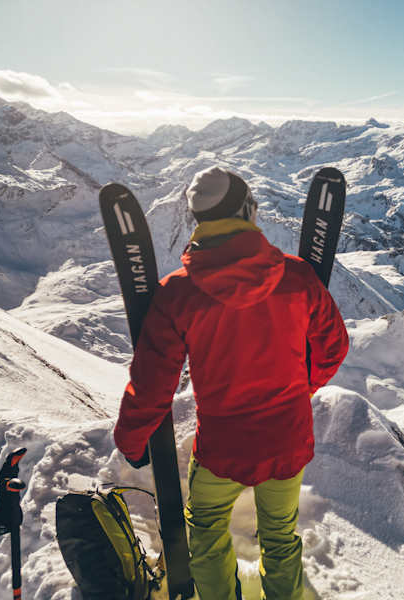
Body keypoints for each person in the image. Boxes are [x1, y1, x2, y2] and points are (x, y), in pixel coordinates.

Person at [113, 166, 349, 600]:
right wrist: (301, 389)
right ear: (246, 212)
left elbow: (152, 383)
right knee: (280, 536)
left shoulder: (176, 294)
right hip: (288, 438)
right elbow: (333, 348)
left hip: (223, 448)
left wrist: (131, 440)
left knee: (205, 530)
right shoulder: (298, 277)